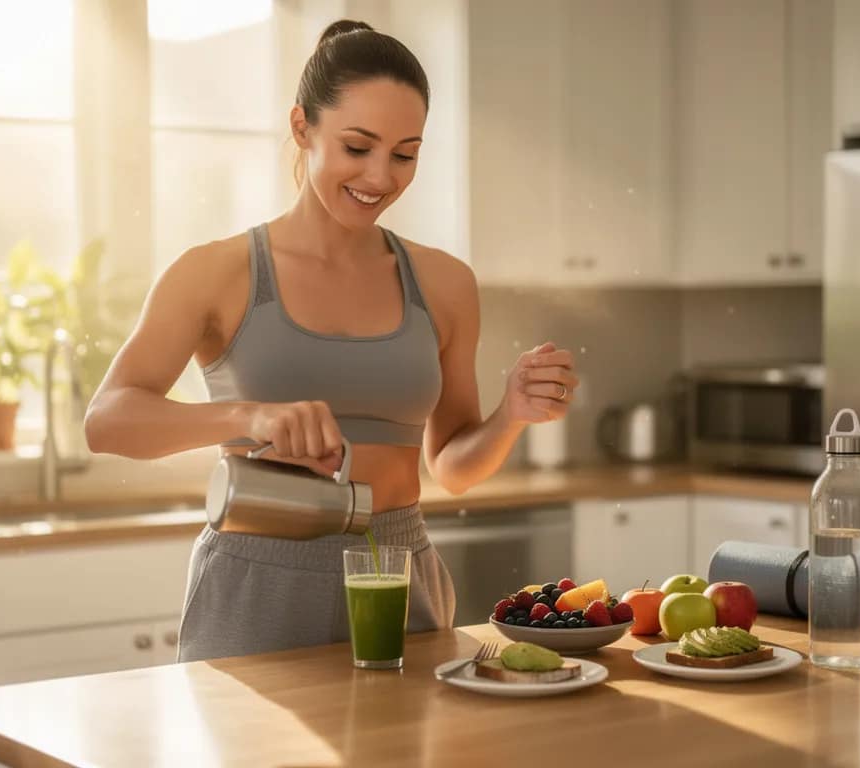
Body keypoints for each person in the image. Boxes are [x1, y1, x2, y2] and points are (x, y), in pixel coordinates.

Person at [84, 19, 579, 662]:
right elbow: (107, 421)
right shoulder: (217, 272)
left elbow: (452, 466)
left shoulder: (446, 283)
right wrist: (248, 415)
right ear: (302, 128)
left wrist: (511, 416)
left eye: (405, 154)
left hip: (401, 568)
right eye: (357, 146)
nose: (381, 176)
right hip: (259, 573)